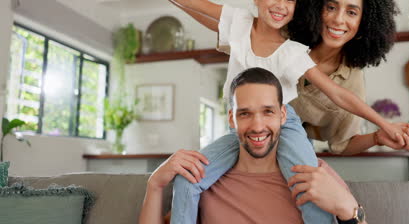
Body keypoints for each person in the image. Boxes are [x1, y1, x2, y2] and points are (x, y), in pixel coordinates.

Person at [125, 0, 409, 223]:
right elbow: (194, 3)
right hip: (240, 125)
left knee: (308, 185)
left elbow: (339, 95)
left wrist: (383, 126)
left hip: (285, 125)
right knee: (188, 179)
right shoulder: (241, 25)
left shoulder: (293, 53)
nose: (280, 4)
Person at [139, 68, 367, 224]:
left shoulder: (315, 175)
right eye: (245, 114)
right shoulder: (203, 180)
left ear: (283, 115)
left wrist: (349, 209)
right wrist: (155, 185)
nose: (258, 126)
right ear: (232, 119)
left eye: (268, 111)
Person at [288, 0, 409, 155]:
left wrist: (377, 137)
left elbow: (342, 144)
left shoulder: (351, 81)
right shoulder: (285, 39)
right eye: (331, 7)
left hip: (293, 146)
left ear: (363, 24)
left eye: (351, 12)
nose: (339, 19)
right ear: (315, 8)